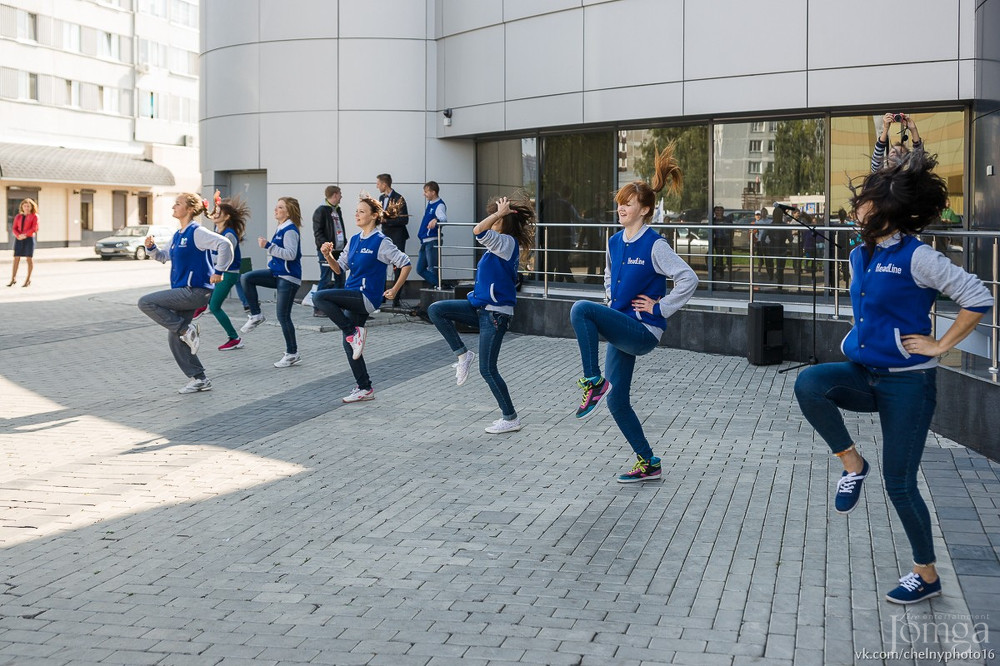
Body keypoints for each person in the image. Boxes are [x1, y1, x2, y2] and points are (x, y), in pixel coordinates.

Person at [794, 150, 992, 605]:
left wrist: (941, 346)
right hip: (866, 373)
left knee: (899, 483)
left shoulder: (918, 256)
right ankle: (851, 464)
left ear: (887, 211)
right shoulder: (859, 254)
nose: (858, 209)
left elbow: (977, 297)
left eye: (866, 204)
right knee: (809, 384)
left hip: (908, 385)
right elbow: (869, 307)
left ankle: (926, 573)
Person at [568, 145, 699, 482]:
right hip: (621, 324)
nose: (621, 208)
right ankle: (648, 462)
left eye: (628, 203)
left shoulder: (655, 244)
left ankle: (593, 381)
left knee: (581, 309)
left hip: (642, 331)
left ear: (644, 209)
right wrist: (612, 299)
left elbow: (689, 277)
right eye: (619, 203)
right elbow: (610, 276)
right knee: (618, 403)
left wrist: (662, 306)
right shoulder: (614, 241)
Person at [427, 194, 535, 434]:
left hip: (495, 315)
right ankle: (463, 355)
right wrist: (498, 214)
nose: (491, 221)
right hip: (479, 308)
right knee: (436, 310)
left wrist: (500, 213)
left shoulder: (507, 242)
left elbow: (477, 230)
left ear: (504, 220)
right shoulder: (498, 245)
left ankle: (510, 418)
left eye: (495, 218)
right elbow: (481, 231)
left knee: (488, 369)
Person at [314, 193, 412, 403]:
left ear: (374, 216)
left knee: (320, 297)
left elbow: (405, 263)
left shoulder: (381, 241)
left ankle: (352, 332)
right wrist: (328, 255)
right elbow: (339, 269)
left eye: (362, 211)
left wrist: (394, 289)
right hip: (352, 295)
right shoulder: (355, 240)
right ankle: (364, 387)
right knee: (348, 345)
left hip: (366, 297)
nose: (356, 214)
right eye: (356, 211)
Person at [137, 193, 234, 394]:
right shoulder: (178, 234)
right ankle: (200, 379)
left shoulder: (196, 232)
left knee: (145, 302)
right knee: (174, 339)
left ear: (189, 209)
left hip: (196, 291)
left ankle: (185, 330)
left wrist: (219, 271)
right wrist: (152, 248)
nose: (174, 206)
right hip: (184, 292)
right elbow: (164, 257)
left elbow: (225, 244)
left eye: (178, 204)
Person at [240, 197, 304, 368]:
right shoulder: (281, 227)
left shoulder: (290, 229)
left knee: (283, 316)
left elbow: (290, 254)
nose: (275, 210)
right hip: (277, 274)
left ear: (289, 211)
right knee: (246, 277)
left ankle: (292, 354)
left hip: (288, 277)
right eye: (276, 207)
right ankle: (256, 315)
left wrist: (268, 245)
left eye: (280, 207)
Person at [207, 193, 250, 351]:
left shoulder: (229, 234)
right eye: (215, 211)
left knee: (215, 306)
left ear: (226, 217)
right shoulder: (217, 230)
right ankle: (199, 306)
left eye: (219, 212)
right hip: (219, 272)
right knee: (210, 302)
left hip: (228, 273)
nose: (215, 214)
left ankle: (234, 338)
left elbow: (225, 257)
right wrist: (216, 201)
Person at [376, 174, 410, 308]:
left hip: (398, 236)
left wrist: (387, 221)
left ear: (384, 184)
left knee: (398, 267)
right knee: (381, 266)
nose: (377, 186)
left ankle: (396, 299)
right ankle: (382, 297)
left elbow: (404, 220)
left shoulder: (399, 198)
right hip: (384, 236)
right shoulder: (380, 198)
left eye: (378, 183)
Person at [312, 185, 346, 315]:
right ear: (335, 194)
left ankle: (339, 305)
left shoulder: (337, 210)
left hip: (339, 250)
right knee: (325, 278)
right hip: (327, 251)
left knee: (340, 278)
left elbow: (340, 229)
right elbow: (318, 232)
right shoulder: (321, 211)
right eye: (340, 194)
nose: (341, 196)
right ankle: (318, 307)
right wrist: (325, 247)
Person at [416, 181, 446, 288]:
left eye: (426, 192)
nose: (424, 194)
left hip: (432, 240)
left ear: (433, 192)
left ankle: (439, 286)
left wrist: (436, 220)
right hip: (425, 241)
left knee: (432, 267)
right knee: (420, 269)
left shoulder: (439, 205)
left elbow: (443, 219)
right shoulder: (431, 204)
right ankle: (438, 285)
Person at [8, 198, 38, 287]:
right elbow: (14, 228)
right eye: (25, 206)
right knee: (16, 258)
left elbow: (34, 228)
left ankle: (28, 279)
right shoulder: (18, 216)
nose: (26, 208)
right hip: (19, 239)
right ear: (22, 207)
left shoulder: (35, 216)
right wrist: (18, 235)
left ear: (32, 207)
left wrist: (25, 234)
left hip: (29, 239)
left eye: (28, 206)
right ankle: (13, 278)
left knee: (29, 259)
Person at [710, 205, 732, 287]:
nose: (718, 212)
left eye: (720, 210)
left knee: (728, 257)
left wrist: (731, 239)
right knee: (719, 257)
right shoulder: (713, 220)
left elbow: (731, 230)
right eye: (717, 210)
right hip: (718, 240)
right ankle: (720, 273)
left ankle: (729, 275)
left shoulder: (727, 220)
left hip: (726, 240)